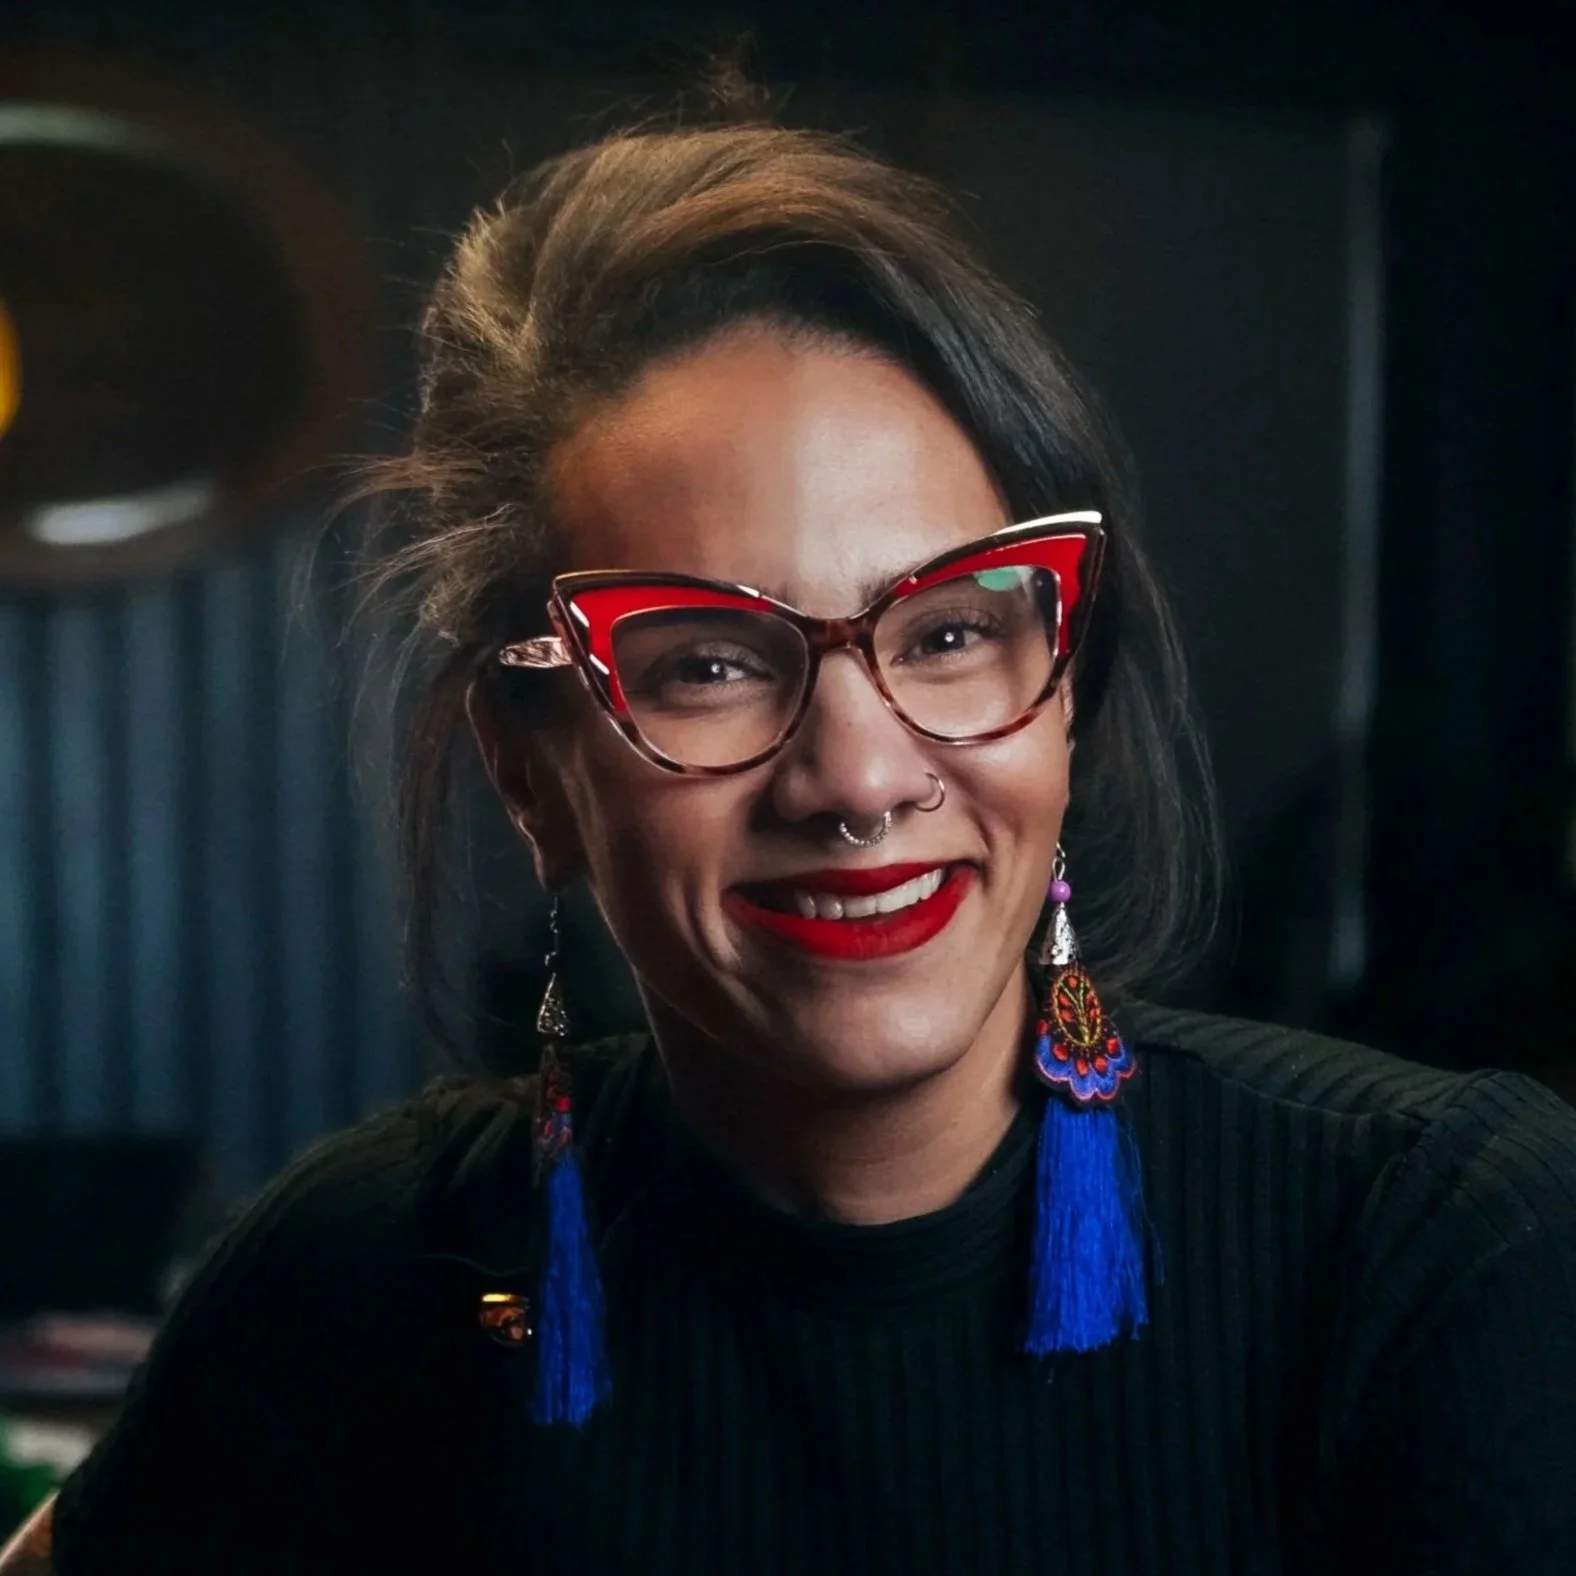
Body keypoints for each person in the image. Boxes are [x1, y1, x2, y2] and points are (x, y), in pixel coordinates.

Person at [37, 106, 1576, 1576]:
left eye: (954, 631)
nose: (856, 774)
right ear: (536, 771)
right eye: (706, 661)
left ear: (1064, 695)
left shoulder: (1436, 1248)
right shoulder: (363, 1283)